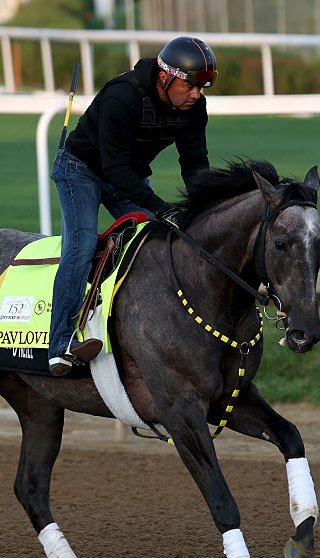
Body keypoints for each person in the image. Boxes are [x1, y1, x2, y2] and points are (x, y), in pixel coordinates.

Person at [48, 35, 218, 377]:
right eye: (192, 86)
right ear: (166, 77)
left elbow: (195, 163)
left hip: (125, 174)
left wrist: (207, 207)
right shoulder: (121, 95)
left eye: (203, 87)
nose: (197, 95)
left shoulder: (193, 108)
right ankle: (61, 344)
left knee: (164, 238)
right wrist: (160, 205)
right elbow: (113, 169)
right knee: (80, 246)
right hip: (80, 170)